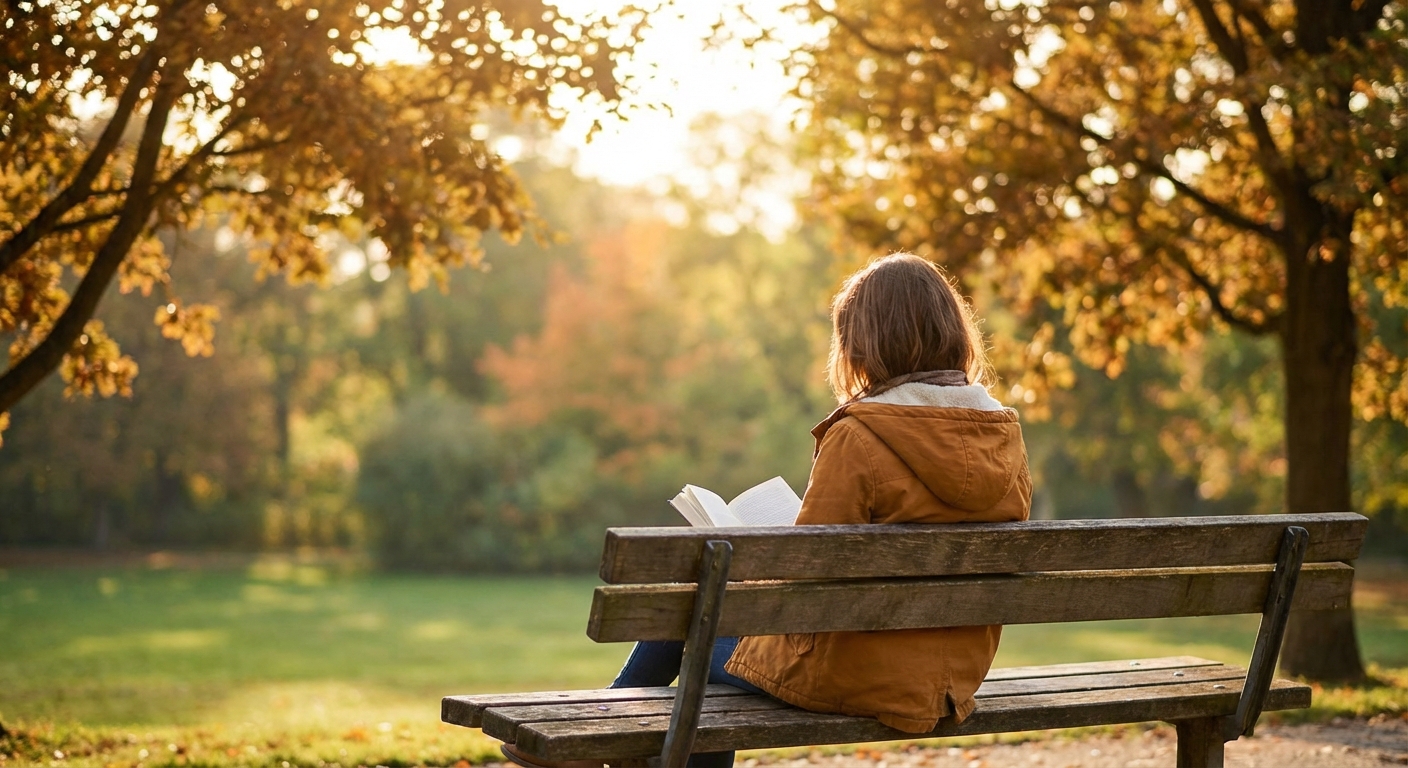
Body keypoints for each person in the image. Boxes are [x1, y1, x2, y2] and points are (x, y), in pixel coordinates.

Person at [501, 253, 1032, 768]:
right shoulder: (1003, 437)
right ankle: (601, 739)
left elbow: (805, 582)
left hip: (861, 673)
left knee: (695, 619)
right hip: (952, 678)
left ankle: (592, 734)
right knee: (708, 639)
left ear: (865, 342)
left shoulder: (861, 435)